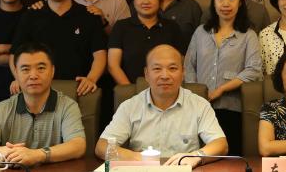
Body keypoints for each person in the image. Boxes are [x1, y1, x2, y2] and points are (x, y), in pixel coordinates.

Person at [96, 44, 228, 165]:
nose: (165, 76)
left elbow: (221, 144)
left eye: (172, 68)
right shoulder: (129, 107)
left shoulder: (199, 105)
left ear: (183, 73)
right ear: (146, 74)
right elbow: (102, 146)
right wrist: (140, 158)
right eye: (157, 69)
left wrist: (195, 156)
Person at [0, 42, 87, 166]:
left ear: (52, 71)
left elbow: (78, 145)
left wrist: (38, 155)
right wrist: (2, 152)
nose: (33, 76)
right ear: (16, 73)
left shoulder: (67, 106)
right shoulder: (2, 109)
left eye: (41, 68)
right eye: (25, 69)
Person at [185, 0, 262, 155]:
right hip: (199, 107)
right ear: (213, 2)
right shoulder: (201, 32)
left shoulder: (248, 35)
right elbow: (189, 66)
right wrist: (196, 95)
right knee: (199, 156)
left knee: (229, 158)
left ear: (240, 2)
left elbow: (254, 70)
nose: (225, 4)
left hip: (231, 107)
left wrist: (221, 89)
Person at [10, 0, 107, 97]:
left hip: (79, 90)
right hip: (39, 90)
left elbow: (100, 55)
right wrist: (19, 78)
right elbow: (14, 55)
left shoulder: (88, 16)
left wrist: (91, 79)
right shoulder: (30, 16)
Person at [108, 0, 182, 85]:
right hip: (129, 90)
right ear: (134, 1)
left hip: (164, 88)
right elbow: (113, 65)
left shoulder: (172, 27)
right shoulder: (121, 27)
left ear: (161, 1)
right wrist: (131, 91)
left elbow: (180, 63)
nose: (146, 1)